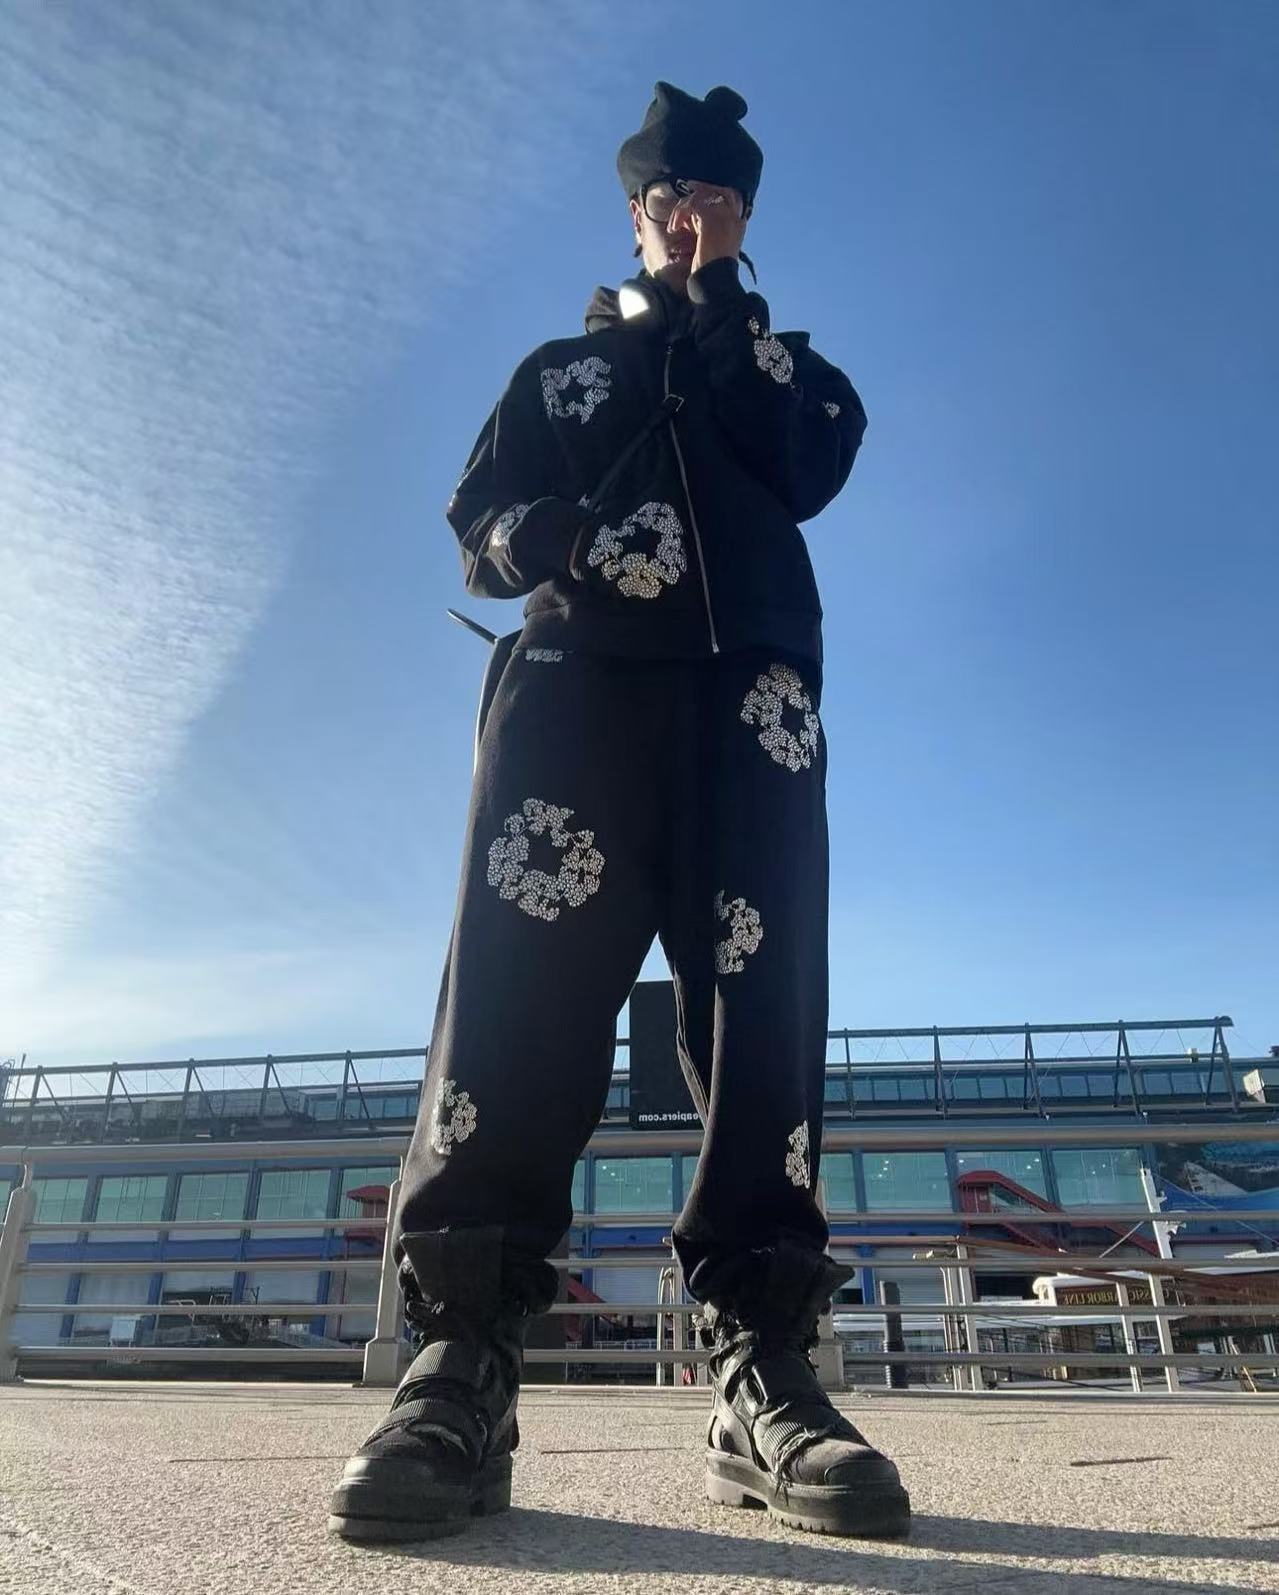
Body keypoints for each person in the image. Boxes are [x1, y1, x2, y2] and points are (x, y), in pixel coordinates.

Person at [328, 81, 910, 1544]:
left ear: (742, 215)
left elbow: (812, 466)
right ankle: (461, 1366)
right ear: (634, 218)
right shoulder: (559, 375)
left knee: (763, 1017)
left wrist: (721, 316)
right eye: (665, 202)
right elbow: (479, 521)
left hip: (749, 709)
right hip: (573, 696)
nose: (686, 219)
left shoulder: (789, 372)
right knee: (514, 1011)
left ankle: (764, 1368)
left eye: (711, 200)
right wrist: (568, 538)